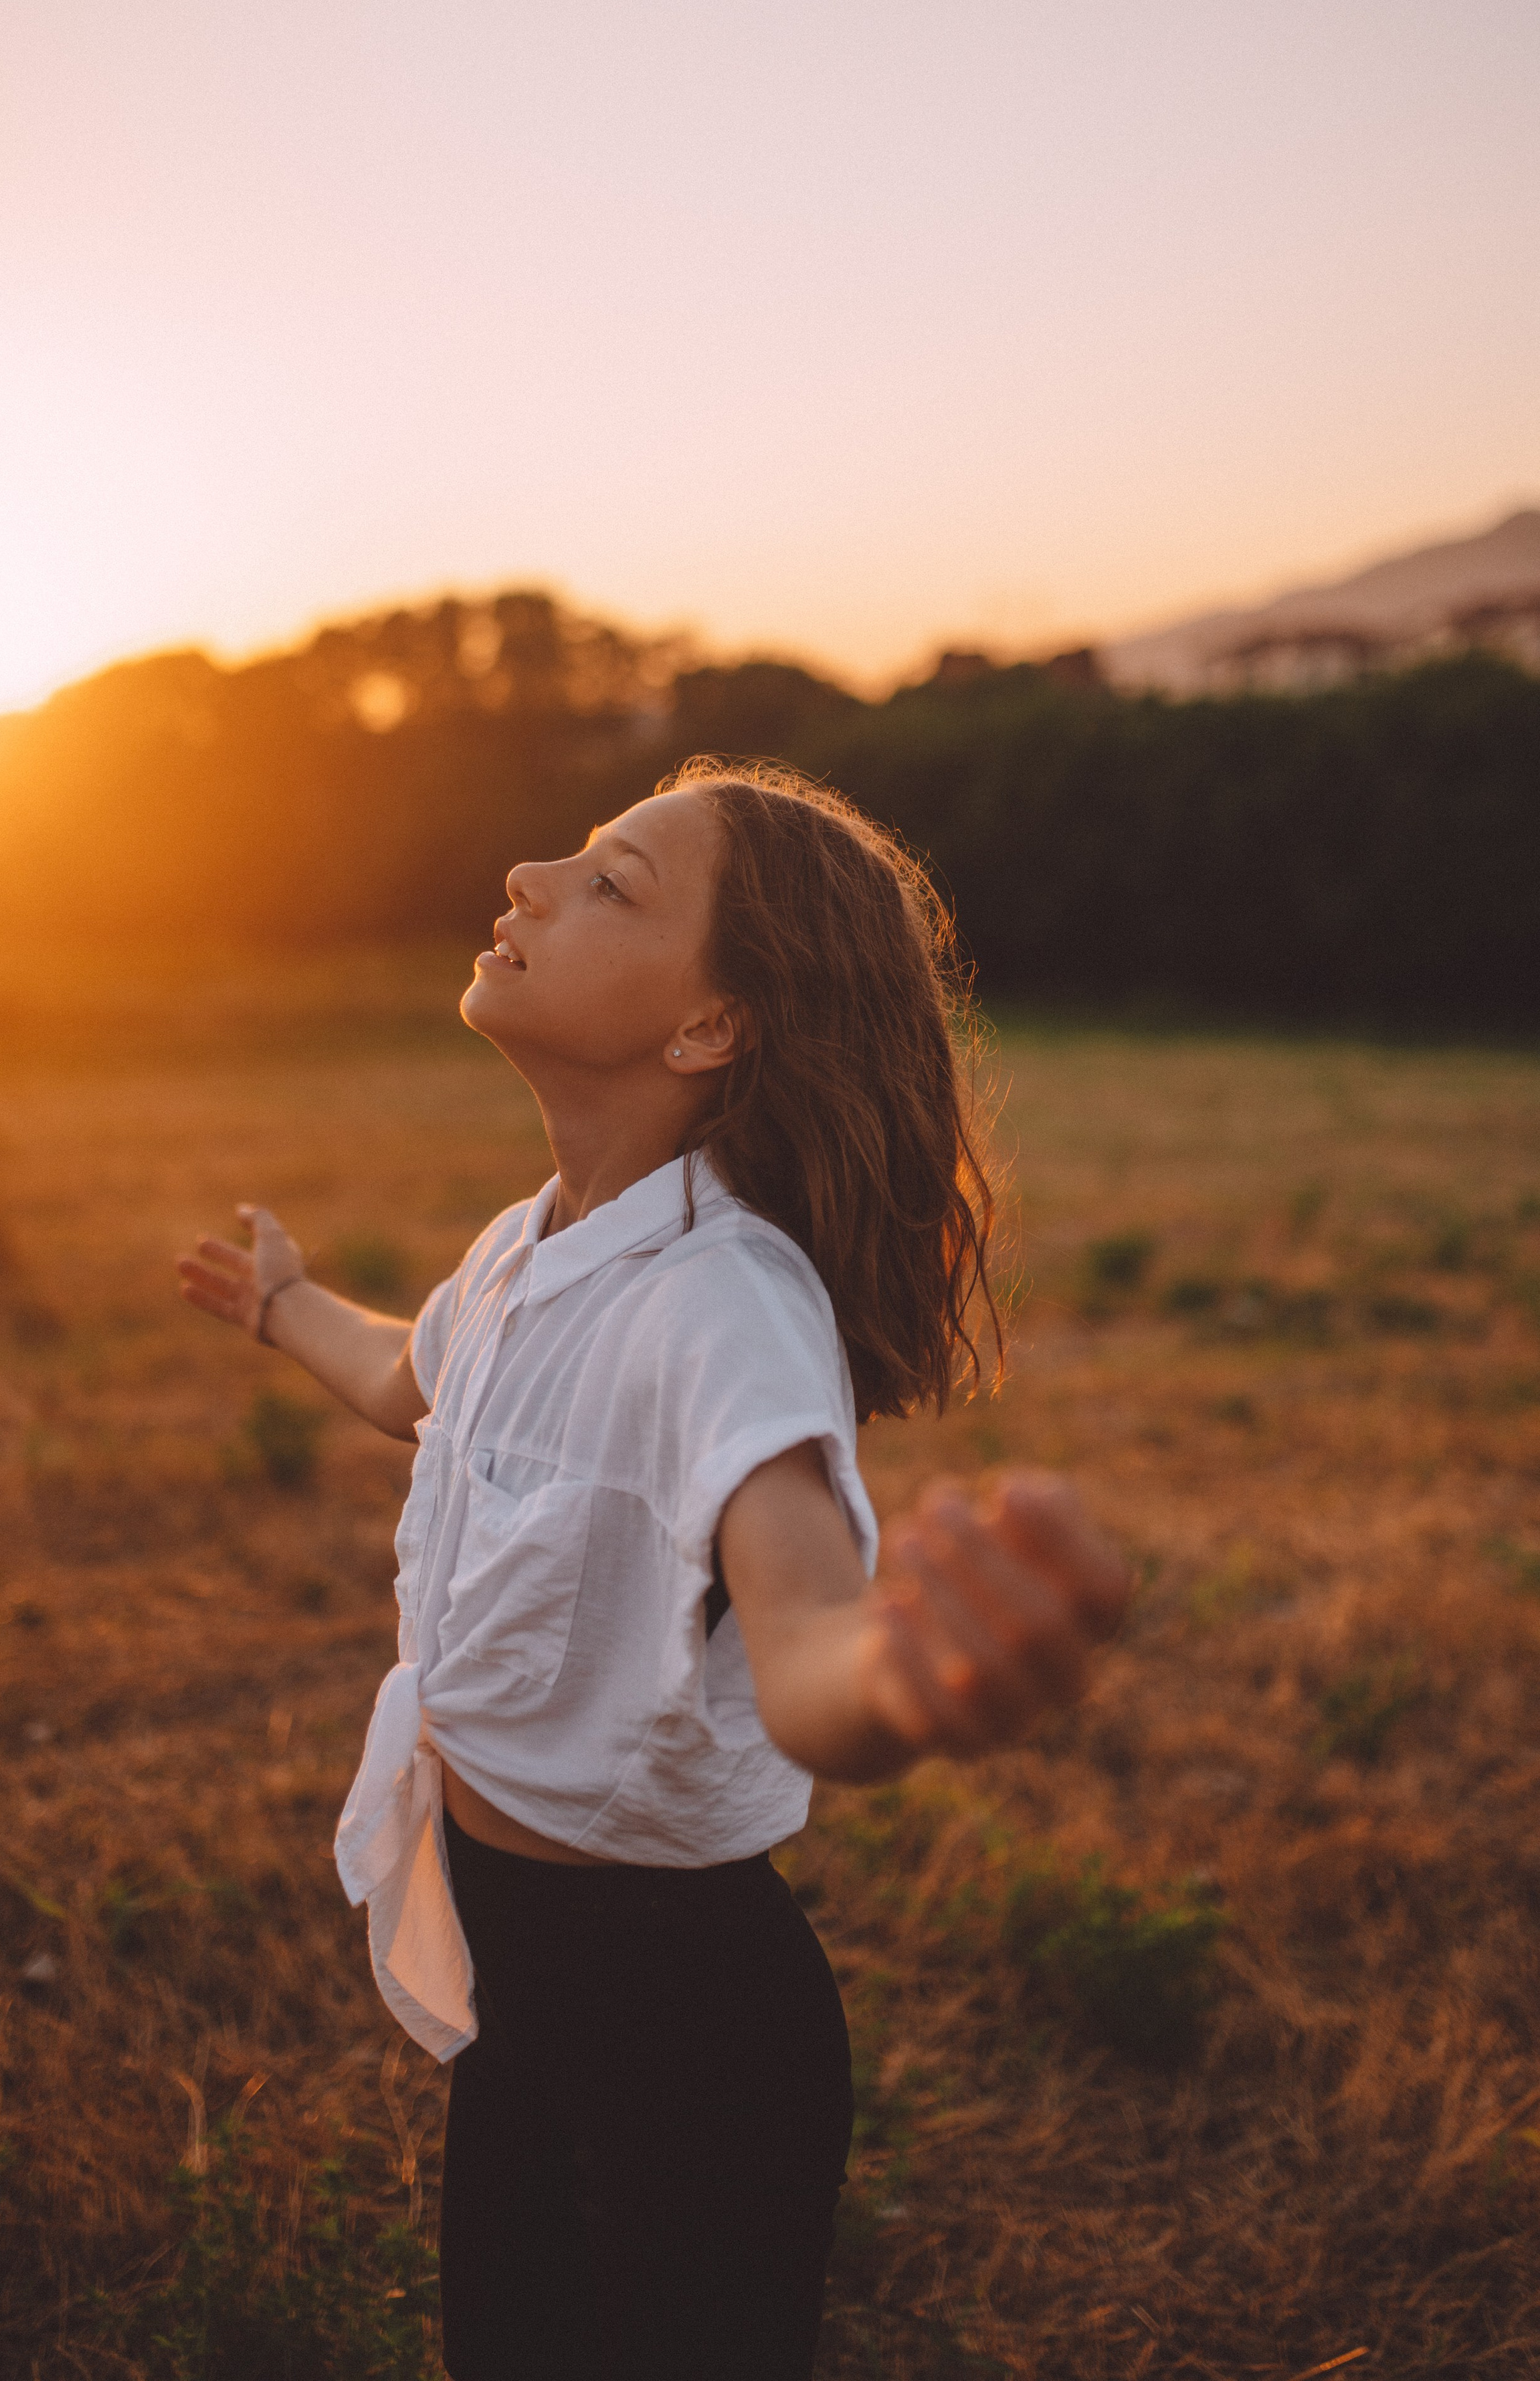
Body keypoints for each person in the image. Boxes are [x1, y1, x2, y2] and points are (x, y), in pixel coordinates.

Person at [177, 761, 1128, 2381]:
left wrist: (898, 1680)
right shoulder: (529, 1241)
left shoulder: (722, 1305)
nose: (531, 870)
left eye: (612, 882)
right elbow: (418, 1378)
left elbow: (809, 1622)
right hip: (524, 1993)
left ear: (709, 1030)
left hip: (686, 2037)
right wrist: (282, 1302)